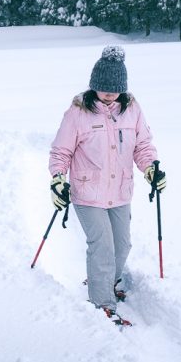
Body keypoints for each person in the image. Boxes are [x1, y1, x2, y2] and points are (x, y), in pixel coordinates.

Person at [47, 46, 166, 326]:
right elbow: (60, 152)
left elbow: (143, 145)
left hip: (120, 191)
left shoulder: (132, 109)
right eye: (103, 88)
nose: (109, 94)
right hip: (87, 192)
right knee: (101, 246)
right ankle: (102, 303)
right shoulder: (78, 112)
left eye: (114, 89)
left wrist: (150, 167)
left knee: (122, 245)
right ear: (94, 86)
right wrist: (57, 179)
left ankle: (104, 281)